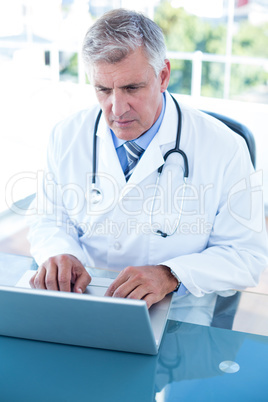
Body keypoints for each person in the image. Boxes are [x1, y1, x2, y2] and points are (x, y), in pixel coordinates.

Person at [27, 9, 268, 316]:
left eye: (132, 88)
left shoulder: (224, 147)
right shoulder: (67, 135)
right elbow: (47, 218)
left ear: (163, 75)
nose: (116, 108)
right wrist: (59, 252)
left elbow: (246, 255)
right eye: (103, 89)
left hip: (179, 315)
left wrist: (170, 274)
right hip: (86, 302)